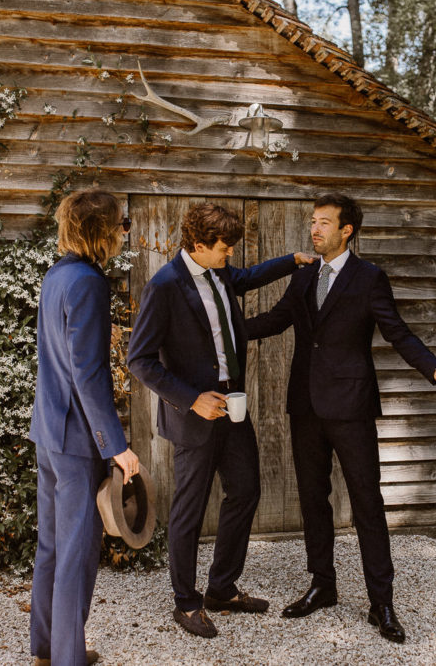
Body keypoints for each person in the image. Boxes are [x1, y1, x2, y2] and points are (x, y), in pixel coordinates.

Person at [245, 192, 436, 644]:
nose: (315, 229)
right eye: (313, 221)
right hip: (306, 406)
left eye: (324, 223)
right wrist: (220, 329)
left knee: (367, 504)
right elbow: (274, 321)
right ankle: (323, 585)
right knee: (313, 500)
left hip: (350, 407)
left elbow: (398, 333)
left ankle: (381, 603)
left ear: (347, 229)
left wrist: (435, 368)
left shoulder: (370, 278)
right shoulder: (304, 273)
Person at [126, 203, 316, 638]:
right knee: (189, 512)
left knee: (246, 490)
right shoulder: (165, 286)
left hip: (233, 407)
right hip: (194, 416)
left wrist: (292, 260)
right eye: (224, 248)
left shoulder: (219, 272)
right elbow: (139, 360)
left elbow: (246, 277)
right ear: (198, 246)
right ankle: (186, 602)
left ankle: (222, 588)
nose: (230, 255)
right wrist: (192, 399)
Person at [28, 190, 141, 666]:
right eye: (121, 224)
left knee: (52, 546)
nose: (124, 232)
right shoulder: (90, 284)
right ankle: (68, 659)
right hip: (76, 441)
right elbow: (88, 374)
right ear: (100, 230)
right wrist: (116, 447)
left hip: (48, 433)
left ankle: (46, 651)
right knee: (75, 553)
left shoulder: (56, 276)